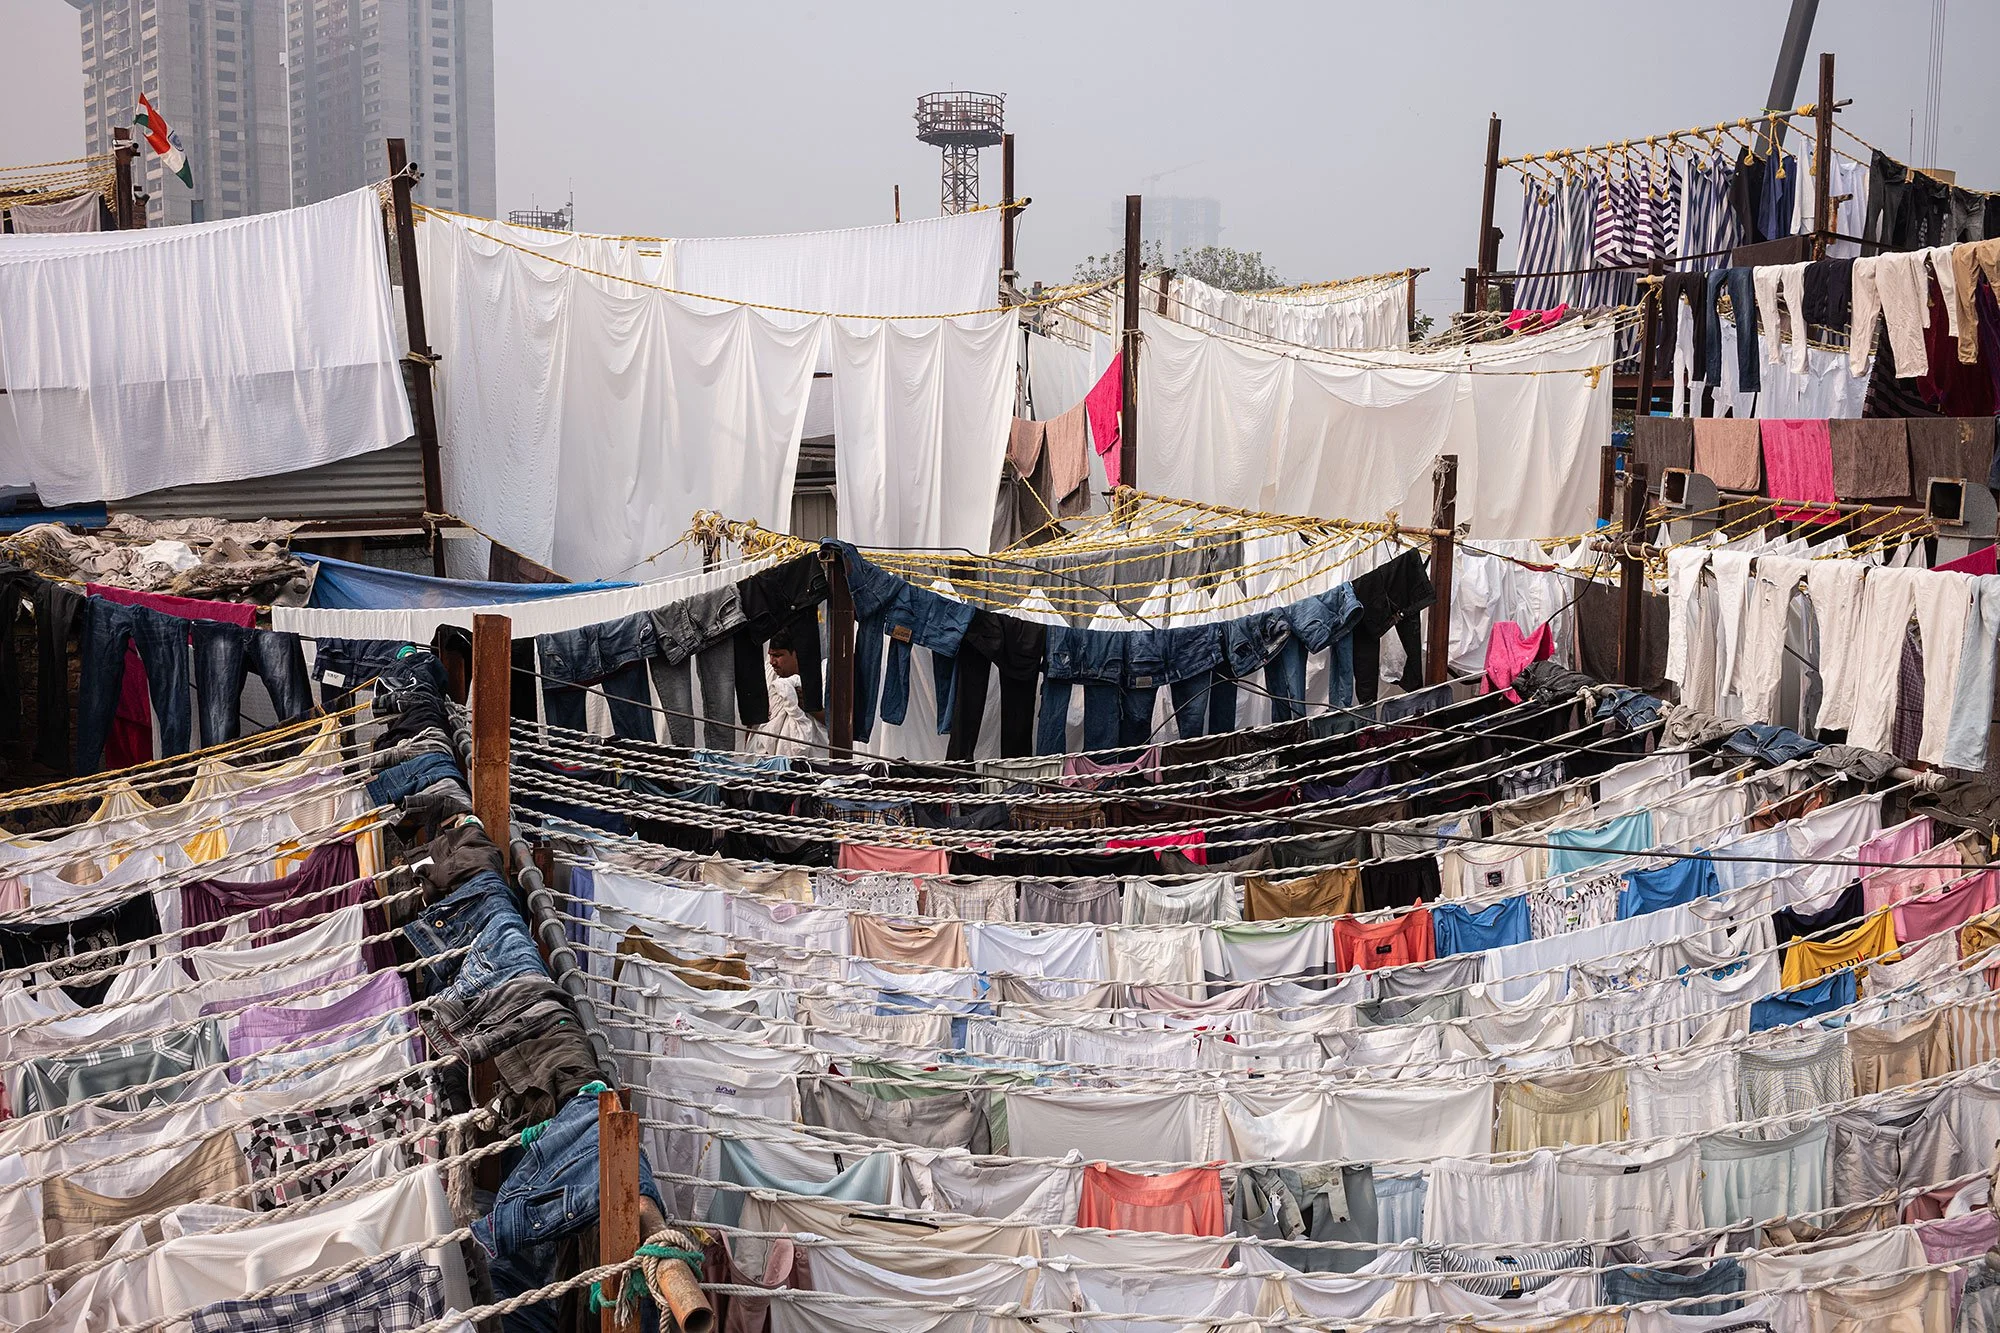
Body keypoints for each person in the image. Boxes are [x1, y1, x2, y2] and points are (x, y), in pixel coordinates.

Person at [751, 637, 826, 758]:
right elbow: (754, 724)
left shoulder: (823, 677)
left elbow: (837, 724)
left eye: (778, 655)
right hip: (769, 758)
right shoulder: (769, 675)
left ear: (796, 654)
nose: (772, 662)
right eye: (770, 655)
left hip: (815, 757)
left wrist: (809, 704)